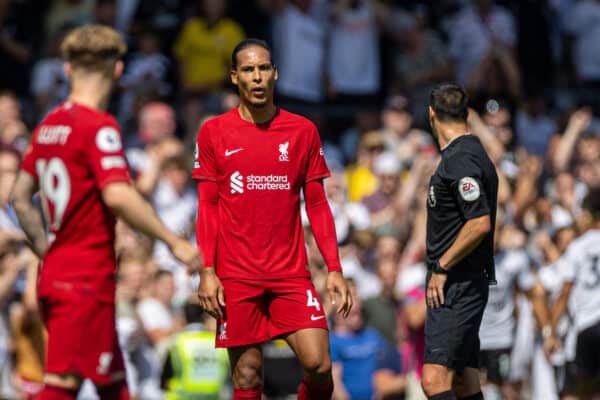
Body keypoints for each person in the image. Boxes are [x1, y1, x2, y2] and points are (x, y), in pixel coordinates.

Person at [11, 25, 202, 400]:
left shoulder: (47, 127)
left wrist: (47, 253)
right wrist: (173, 241)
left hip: (60, 275)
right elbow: (117, 194)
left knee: (114, 384)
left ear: (67, 71)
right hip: (84, 279)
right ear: (117, 71)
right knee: (62, 386)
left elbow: (20, 198)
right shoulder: (99, 127)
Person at [194, 38, 353, 400]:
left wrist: (335, 268)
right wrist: (206, 270)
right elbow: (207, 206)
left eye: (264, 68)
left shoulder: (302, 131)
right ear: (235, 77)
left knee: (319, 366)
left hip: (290, 274)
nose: (257, 77)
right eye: (248, 70)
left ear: (275, 73)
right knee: (248, 375)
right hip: (235, 274)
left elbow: (316, 203)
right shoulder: (213, 132)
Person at [421, 83, 498, 400]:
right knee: (465, 380)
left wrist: (442, 267)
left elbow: (479, 222)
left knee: (434, 380)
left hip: (456, 283)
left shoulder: (460, 160)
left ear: (431, 115)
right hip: (464, 281)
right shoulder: (470, 153)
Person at [551, 186, 600, 399]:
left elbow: (565, 291)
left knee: (578, 390)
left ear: (589, 215)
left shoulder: (578, 247)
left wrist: (551, 331)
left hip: (585, 327)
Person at [161, 301, 230, 400]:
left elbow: (165, 379)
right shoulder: (217, 342)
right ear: (204, 318)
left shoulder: (177, 342)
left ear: (184, 318)